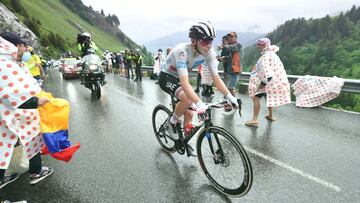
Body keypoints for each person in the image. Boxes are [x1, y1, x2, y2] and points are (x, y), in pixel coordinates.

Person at [158, 21, 239, 156]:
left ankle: (182, 141)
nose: (208, 45)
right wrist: (199, 103)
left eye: (210, 41)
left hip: (179, 78)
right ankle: (172, 122)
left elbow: (216, 78)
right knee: (188, 100)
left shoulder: (209, 52)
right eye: (205, 41)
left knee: (189, 114)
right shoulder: (182, 51)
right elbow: (184, 82)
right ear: (194, 40)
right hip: (166, 77)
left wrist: (230, 97)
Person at [0, 32, 53, 190]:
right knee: (29, 138)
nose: (26, 49)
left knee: (5, 144)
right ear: (15, 46)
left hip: (12, 112)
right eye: (23, 45)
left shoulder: (11, 62)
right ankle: (36, 171)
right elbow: (9, 93)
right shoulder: (4, 64)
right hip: (15, 111)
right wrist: (35, 101)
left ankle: (6, 175)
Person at [245, 38, 291, 127]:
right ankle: (270, 115)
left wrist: (263, 82)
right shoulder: (272, 54)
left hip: (266, 82)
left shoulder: (266, 56)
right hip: (273, 82)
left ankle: (254, 119)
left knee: (255, 98)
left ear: (264, 45)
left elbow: (267, 71)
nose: (257, 46)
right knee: (268, 97)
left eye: (259, 44)